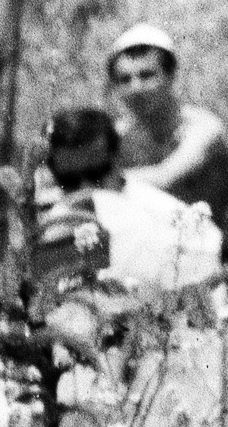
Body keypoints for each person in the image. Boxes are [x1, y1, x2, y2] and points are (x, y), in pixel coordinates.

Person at [44, 102, 228, 296]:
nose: (85, 189)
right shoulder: (55, 220)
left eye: (96, 175)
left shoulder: (172, 222)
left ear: (118, 160)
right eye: (69, 180)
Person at [107, 29, 228, 223]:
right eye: (125, 79)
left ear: (170, 77)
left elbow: (166, 176)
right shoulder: (119, 134)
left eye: (146, 76)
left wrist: (94, 182)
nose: (135, 88)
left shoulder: (203, 127)